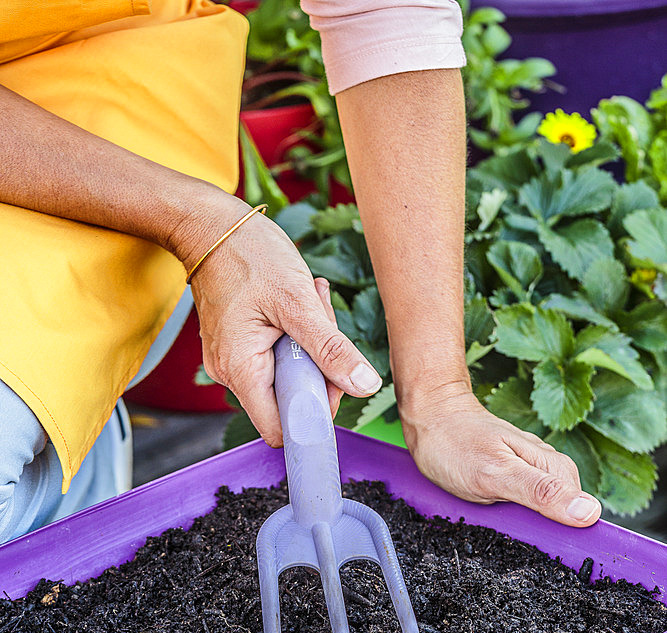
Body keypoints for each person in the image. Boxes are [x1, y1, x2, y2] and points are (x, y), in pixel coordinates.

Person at [0, 0, 602, 544]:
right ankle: (69, 467)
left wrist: (438, 396)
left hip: (111, 82)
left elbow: (382, 14)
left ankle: (64, 455)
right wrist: (206, 226)